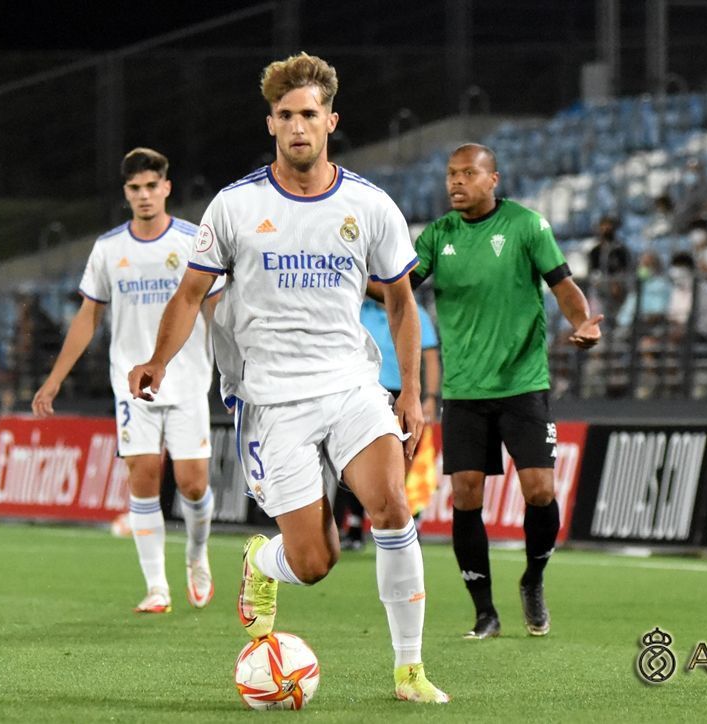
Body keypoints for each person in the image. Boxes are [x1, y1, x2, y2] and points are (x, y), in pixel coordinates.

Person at [128, 53, 449, 703]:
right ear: (270, 123)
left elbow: (401, 303)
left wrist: (412, 392)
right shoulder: (235, 206)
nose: (298, 126)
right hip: (271, 400)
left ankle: (409, 671)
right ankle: (261, 561)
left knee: (392, 505)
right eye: (285, 115)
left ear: (331, 120)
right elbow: (190, 294)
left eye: (309, 114)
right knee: (314, 561)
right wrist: (158, 360)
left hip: (352, 385)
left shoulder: (369, 205)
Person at [410, 143, 602, 641]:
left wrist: (582, 322)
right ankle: (484, 612)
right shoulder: (437, 235)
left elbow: (563, 285)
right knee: (466, 494)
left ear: (492, 179)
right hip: (464, 389)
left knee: (540, 490)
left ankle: (533, 577)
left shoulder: (526, 226)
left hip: (522, 383)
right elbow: (399, 286)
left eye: (468, 173)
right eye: (451, 174)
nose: (456, 182)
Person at [33, 147, 223, 615]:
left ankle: (197, 554)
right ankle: (157, 587)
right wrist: (55, 379)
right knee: (142, 476)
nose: (144, 195)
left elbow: (216, 308)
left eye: (151, 186)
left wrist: (237, 363)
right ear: (126, 192)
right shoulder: (109, 248)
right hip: (131, 383)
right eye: (135, 188)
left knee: (192, 484)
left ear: (166, 187)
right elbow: (88, 316)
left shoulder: (193, 241)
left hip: (187, 378)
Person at [334, 285, 442, 550]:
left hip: (401, 395)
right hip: (364, 392)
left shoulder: (415, 311)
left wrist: (429, 396)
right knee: (356, 456)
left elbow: (430, 358)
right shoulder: (360, 310)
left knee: (403, 461)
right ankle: (355, 526)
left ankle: (405, 524)